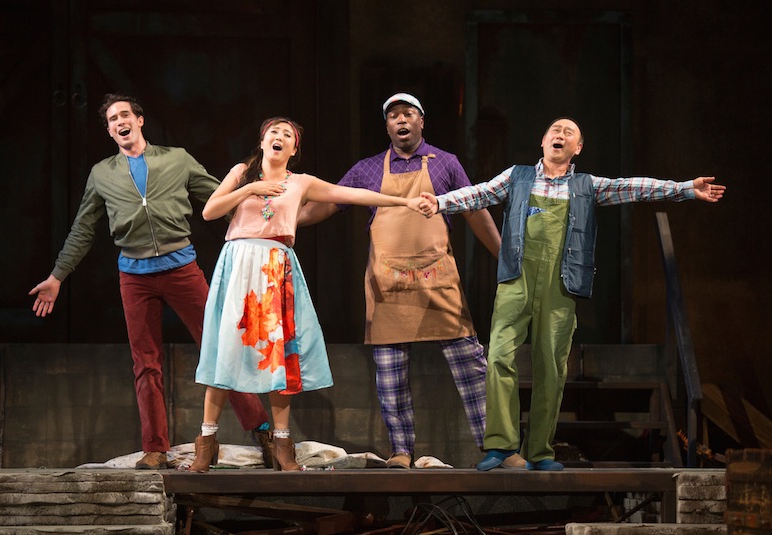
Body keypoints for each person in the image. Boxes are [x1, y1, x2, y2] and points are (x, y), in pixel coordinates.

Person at [418, 117, 726, 471]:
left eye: (569, 133)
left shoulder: (586, 185)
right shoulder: (516, 177)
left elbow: (636, 187)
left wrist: (685, 188)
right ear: (543, 141)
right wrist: (439, 203)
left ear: (577, 148)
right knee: (500, 356)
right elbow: (479, 192)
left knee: (551, 365)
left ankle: (540, 452)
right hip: (516, 280)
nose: (560, 135)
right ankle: (501, 446)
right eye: (554, 130)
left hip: (560, 284)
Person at [29, 93, 274, 470]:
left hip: (182, 270)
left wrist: (264, 232)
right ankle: (155, 448)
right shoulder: (102, 173)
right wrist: (57, 277)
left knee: (221, 348)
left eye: (124, 115)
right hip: (135, 277)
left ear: (139, 120)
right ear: (110, 131)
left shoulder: (176, 159)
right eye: (112, 120)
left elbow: (221, 201)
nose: (119, 122)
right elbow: (83, 229)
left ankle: (262, 431)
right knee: (146, 363)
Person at [188, 116, 425, 472]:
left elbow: (351, 194)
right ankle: (206, 444)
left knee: (279, 358)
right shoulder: (242, 172)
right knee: (226, 352)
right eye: (274, 132)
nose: (280, 137)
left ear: (294, 149)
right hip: (238, 265)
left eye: (288, 135)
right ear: (263, 140)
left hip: (275, 267)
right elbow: (209, 211)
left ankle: (284, 447)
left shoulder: (300, 182)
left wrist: (402, 202)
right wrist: (249, 190)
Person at [298, 93, 510, 470]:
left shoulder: (445, 163)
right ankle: (401, 451)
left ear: (421, 121)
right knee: (391, 377)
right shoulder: (366, 169)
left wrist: (505, 258)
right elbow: (327, 204)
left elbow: (476, 212)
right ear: (387, 126)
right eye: (393, 115)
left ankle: (500, 448)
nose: (401, 120)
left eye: (408, 113)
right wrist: (277, 218)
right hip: (387, 284)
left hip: (437, 281)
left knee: (472, 367)